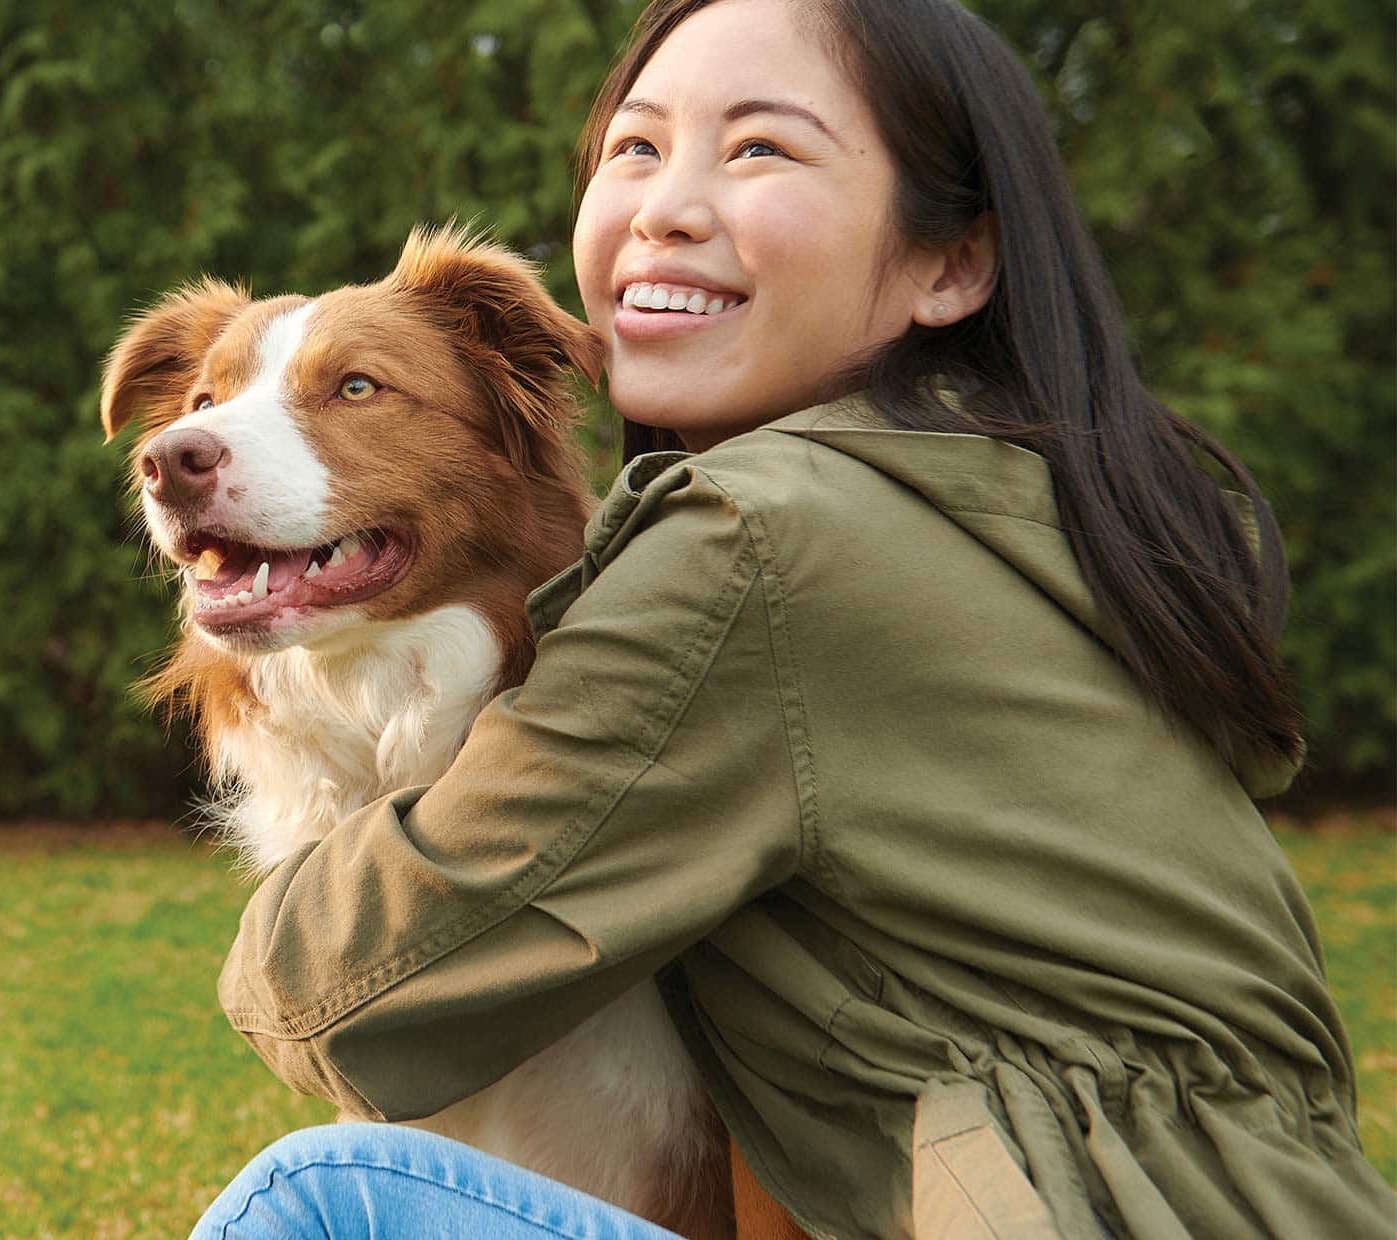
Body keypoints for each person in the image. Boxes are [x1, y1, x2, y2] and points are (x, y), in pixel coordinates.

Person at [189, 0, 1393, 1236]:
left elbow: (336, 995)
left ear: (951, 264)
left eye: (759, 148)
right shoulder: (1019, 496)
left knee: (319, 1197)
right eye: (637, 148)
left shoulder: (758, 537)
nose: (664, 206)